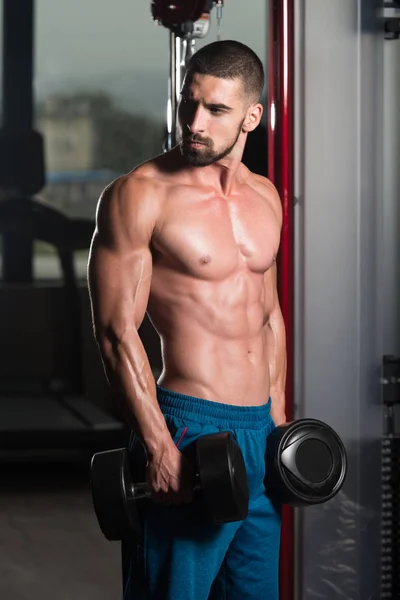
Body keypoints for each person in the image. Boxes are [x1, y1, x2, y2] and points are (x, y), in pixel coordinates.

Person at [88, 40, 286, 600]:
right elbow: (114, 331)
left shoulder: (265, 197)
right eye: (188, 105)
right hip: (188, 427)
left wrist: (275, 412)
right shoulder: (139, 195)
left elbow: (269, 315)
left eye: (216, 110)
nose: (194, 123)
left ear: (252, 116)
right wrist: (157, 445)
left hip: (258, 430)